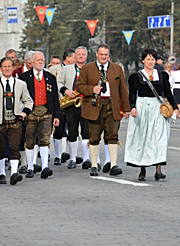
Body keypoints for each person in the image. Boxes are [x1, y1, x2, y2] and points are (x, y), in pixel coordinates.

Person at [76, 44, 130, 176]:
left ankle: (113, 165)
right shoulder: (87, 68)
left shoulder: (117, 69)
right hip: (94, 106)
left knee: (113, 136)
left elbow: (123, 89)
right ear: (96, 54)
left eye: (106, 55)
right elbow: (79, 87)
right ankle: (94, 165)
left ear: (109, 55)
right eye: (101, 54)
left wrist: (127, 108)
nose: (104, 57)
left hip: (112, 106)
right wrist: (92, 89)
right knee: (94, 137)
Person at [124, 48, 178, 181]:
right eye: (148, 59)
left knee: (159, 138)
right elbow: (132, 93)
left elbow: (167, 92)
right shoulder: (136, 76)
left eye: (152, 59)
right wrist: (133, 107)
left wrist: (175, 107)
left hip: (158, 108)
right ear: (143, 60)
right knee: (143, 138)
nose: (150, 61)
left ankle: (158, 169)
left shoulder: (161, 74)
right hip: (142, 107)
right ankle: (142, 170)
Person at [0, 57, 33, 185]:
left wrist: (25, 112)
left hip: (15, 120)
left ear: (13, 68)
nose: (7, 69)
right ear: (0, 69)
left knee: (14, 147)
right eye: (4, 66)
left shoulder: (20, 84)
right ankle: (1, 173)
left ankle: (14, 174)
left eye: (9, 66)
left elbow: (28, 101)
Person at [19, 51, 61, 179]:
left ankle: (44, 167)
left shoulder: (50, 77)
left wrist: (57, 115)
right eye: (38, 60)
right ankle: (30, 166)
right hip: (30, 113)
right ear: (32, 62)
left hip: (46, 113)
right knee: (30, 139)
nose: (41, 62)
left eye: (42, 60)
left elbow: (55, 98)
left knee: (45, 139)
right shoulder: (24, 77)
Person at [57, 46, 91, 169]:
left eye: (83, 54)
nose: (81, 56)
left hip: (86, 103)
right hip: (72, 103)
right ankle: (72, 158)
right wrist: (66, 91)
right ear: (75, 56)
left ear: (86, 56)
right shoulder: (67, 69)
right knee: (72, 131)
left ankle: (87, 159)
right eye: (79, 54)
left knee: (86, 132)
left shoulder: (90, 69)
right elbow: (59, 82)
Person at [48, 48, 76, 165]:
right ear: (68, 58)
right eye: (74, 57)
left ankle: (70, 155)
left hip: (71, 103)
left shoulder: (76, 69)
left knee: (72, 130)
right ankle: (58, 155)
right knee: (58, 130)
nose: (76, 59)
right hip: (58, 102)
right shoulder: (54, 69)